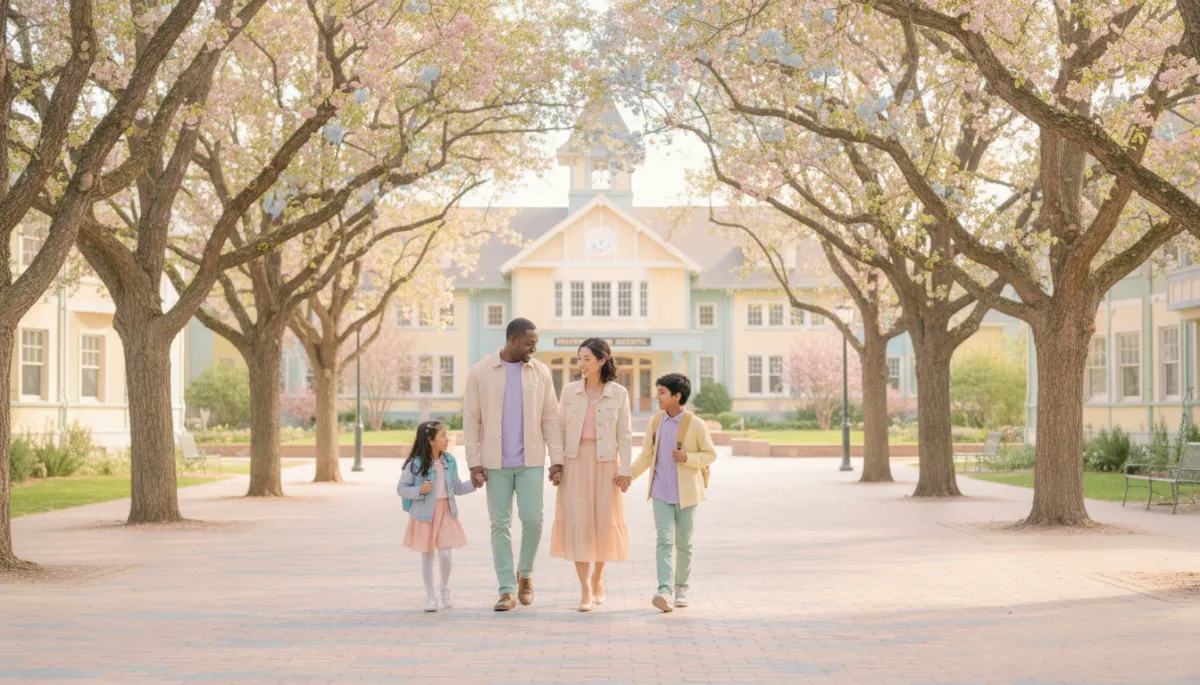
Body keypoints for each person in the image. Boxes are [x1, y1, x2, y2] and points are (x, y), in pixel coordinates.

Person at [463, 318, 564, 611]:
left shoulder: (540, 372)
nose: (534, 348)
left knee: (533, 520)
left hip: (531, 461)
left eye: (536, 343)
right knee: (500, 524)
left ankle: (526, 575)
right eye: (529, 343)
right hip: (495, 464)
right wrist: (473, 463)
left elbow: (550, 418)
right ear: (513, 341)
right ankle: (506, 588)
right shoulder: (480, 372)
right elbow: (472, 420)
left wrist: (556, 460)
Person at [550, 338, 632, 612]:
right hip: (575, 463)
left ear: (602, 360)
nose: (581, 363)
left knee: (602, 521)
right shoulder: (569, 391)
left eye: (587, 358)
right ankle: (585, 588)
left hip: (606, 463)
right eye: (579, 358)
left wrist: (626, 470)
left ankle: (598, 578)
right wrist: (557, 464)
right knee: (578, 521)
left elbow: (625, 434)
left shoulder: (618, 393)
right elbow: (560, 430)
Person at [631, 373, 717, 613]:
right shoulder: (656, 421)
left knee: (684, 543)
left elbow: (711, 454)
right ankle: (664, 590)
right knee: (664, 540)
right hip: (660, 491)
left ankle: (682, 588)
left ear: (677, 396)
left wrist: (688, 458)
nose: (657, 396)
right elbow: (646, 456)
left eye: (662, 392)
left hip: (688, 493)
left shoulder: (696, 424)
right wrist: (626, 476)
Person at [396, 421, 477, 612]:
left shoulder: (449, 461)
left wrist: (475, 483)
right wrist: (420, 490)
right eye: (443, 436)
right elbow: (401, 489)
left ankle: (445, 587)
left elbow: (457, 487)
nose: (447, 440)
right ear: (431, 441)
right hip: (425, 514)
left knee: (445, 553)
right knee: (428, 554)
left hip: (446, 512)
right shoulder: (415, 464)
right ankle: (430, 596)